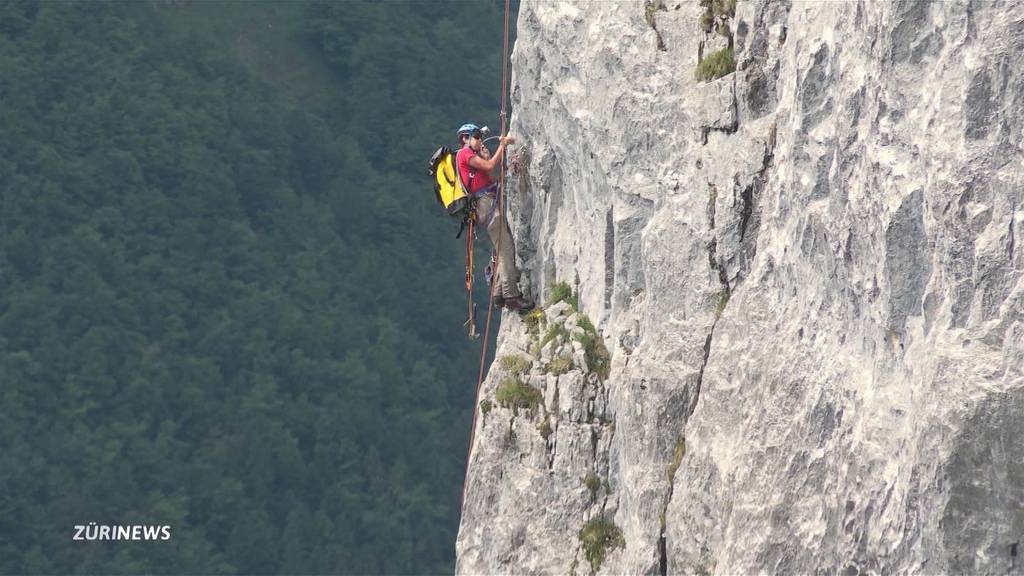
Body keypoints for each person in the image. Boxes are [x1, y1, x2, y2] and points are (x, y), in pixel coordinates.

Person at [455, 123, 534, 312]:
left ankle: (499, 293)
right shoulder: (464, 154)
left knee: (503, 245)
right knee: (505, 247)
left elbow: (489, 173)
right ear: (465, 139)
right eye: (475, 136)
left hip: (487, 202)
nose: (479, 140)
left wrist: (487, 156)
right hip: (485, 205)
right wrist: (503, 145)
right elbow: (490, 167)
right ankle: (511, 296)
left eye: (479, 136)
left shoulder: (472, 157)